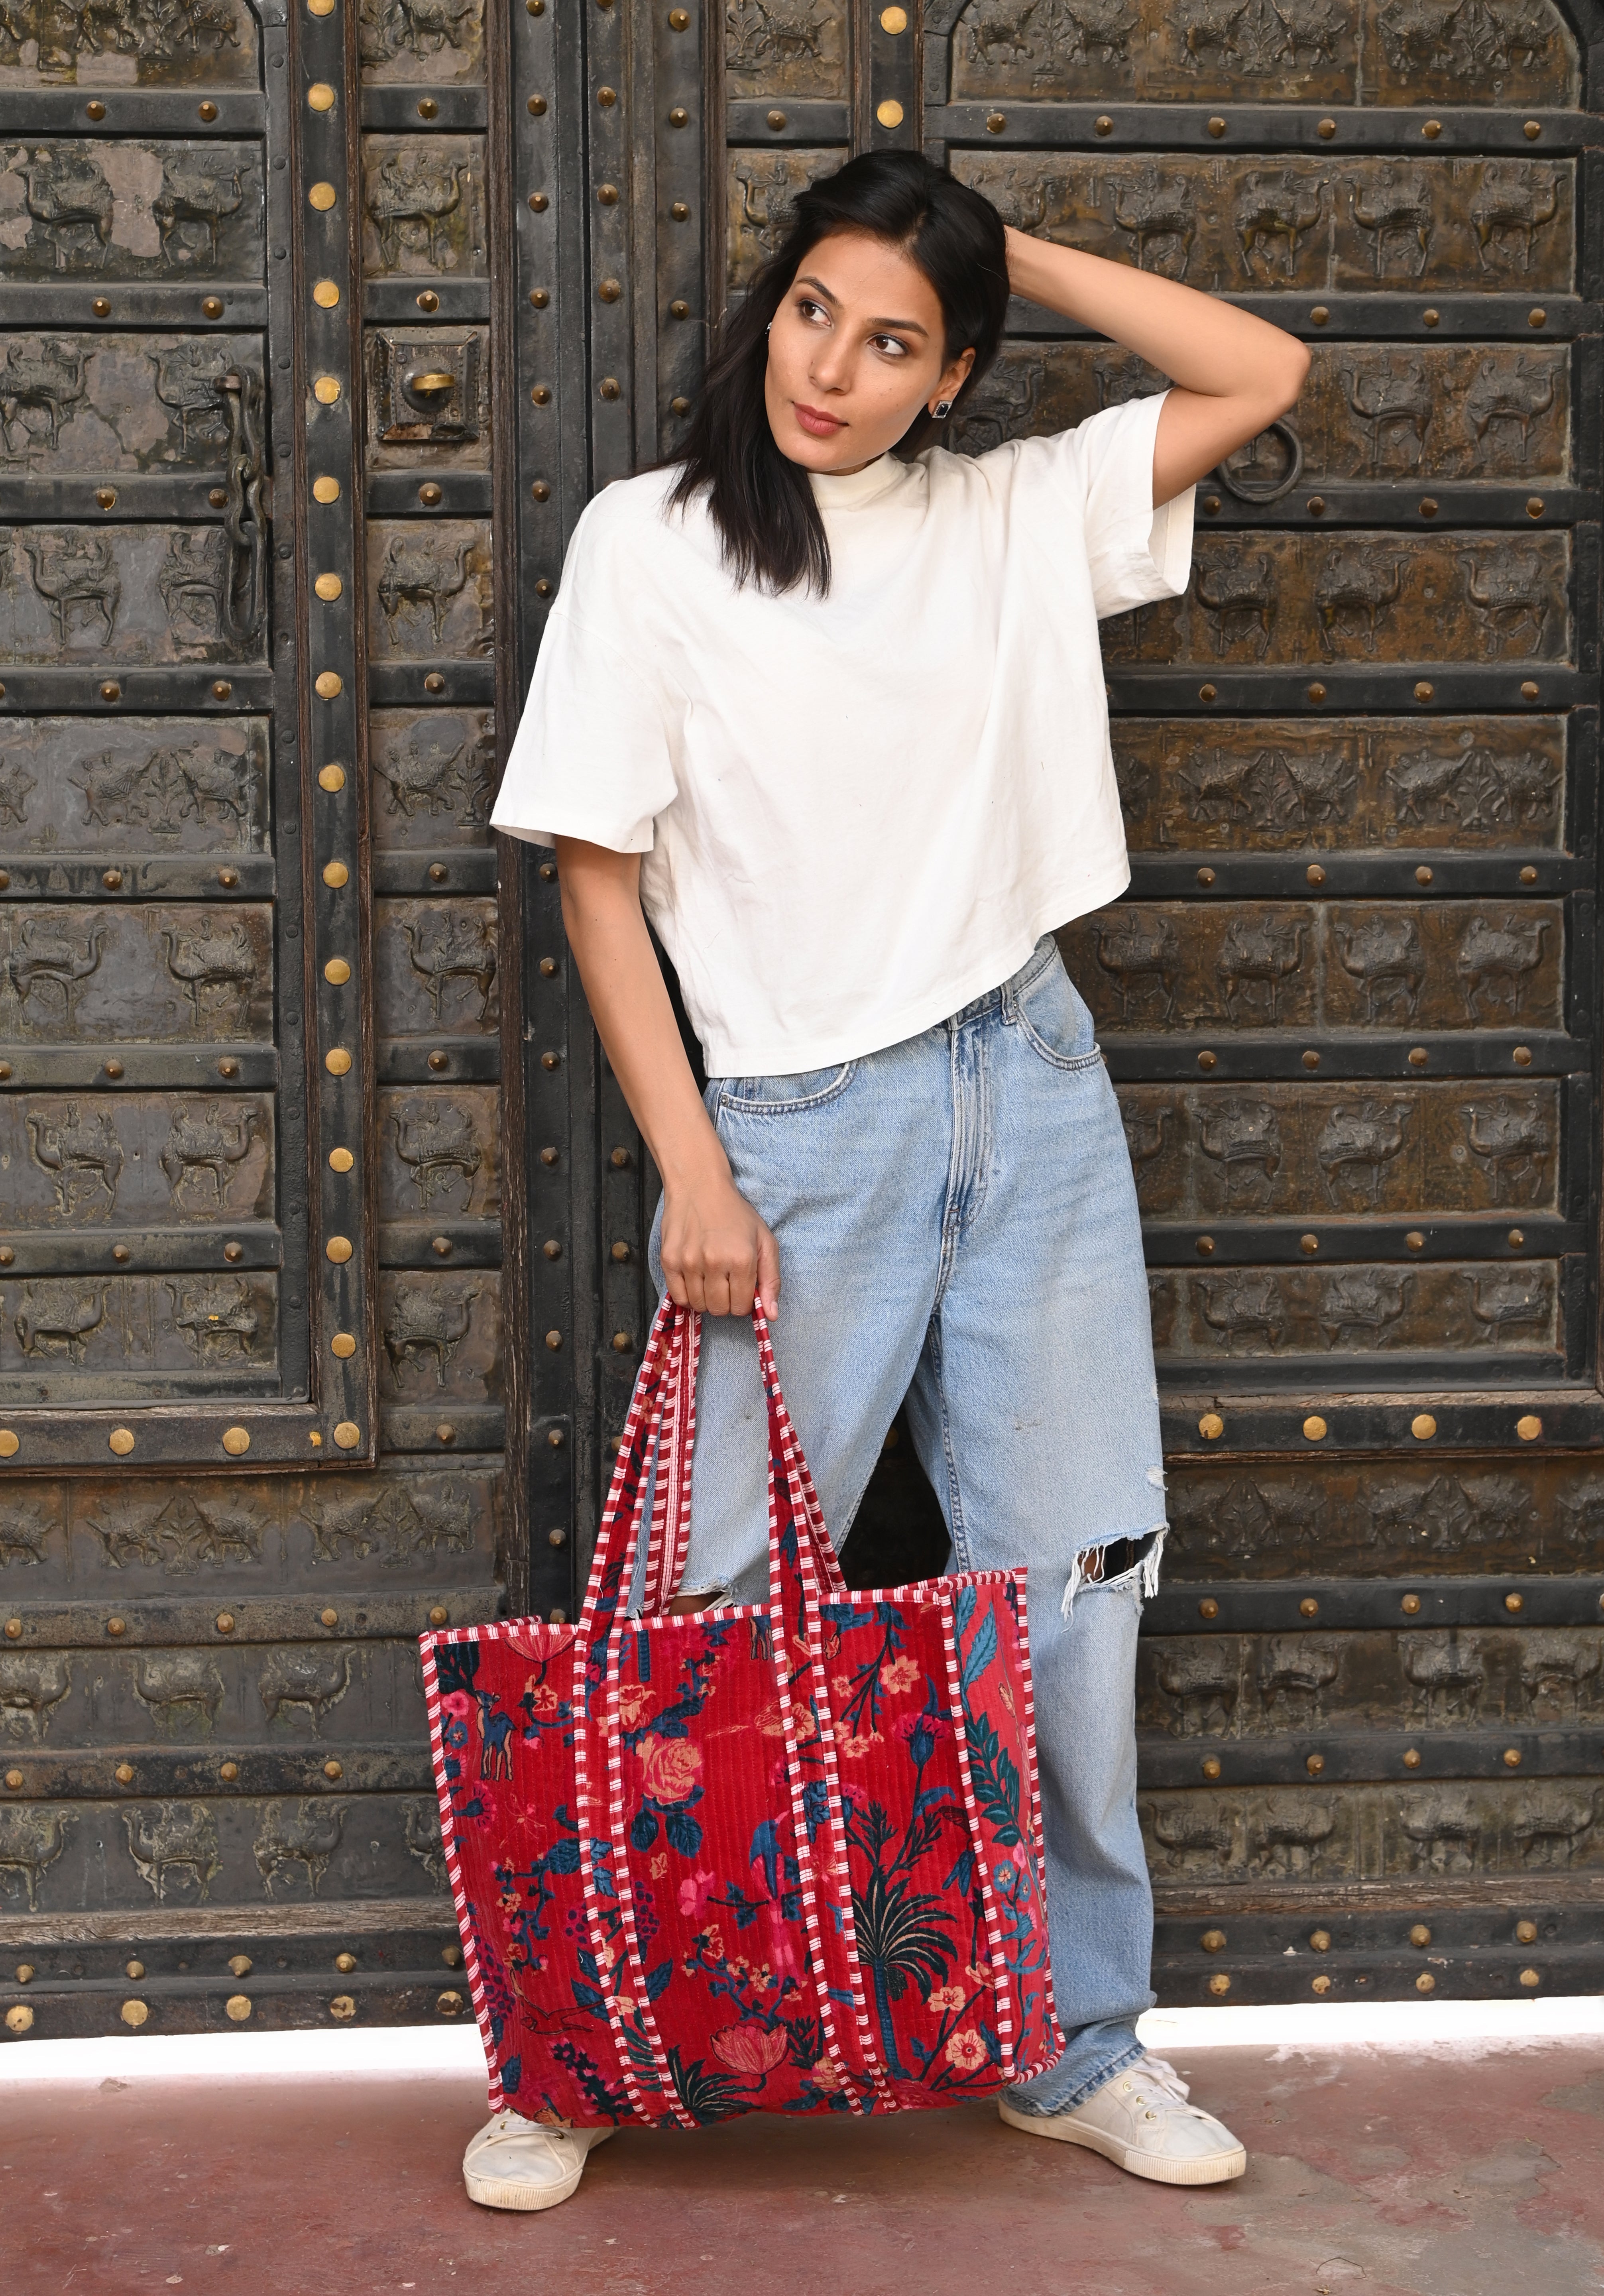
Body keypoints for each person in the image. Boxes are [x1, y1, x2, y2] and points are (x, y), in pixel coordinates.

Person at [469, 148, 1307, 2212]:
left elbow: (1258, 367)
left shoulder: (1008, 516)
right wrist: (692, 1170)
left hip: (1023, 1089)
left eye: (895, 338)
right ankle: (593, 2048)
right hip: (796, 1133)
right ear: (771, 302)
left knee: (1070, 1591)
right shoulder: (651, 546)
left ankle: (1067, 2047)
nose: (830, 367)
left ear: (952, 376)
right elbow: (596, 878)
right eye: (814, 309)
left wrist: (988, 248)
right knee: (705, 1600)